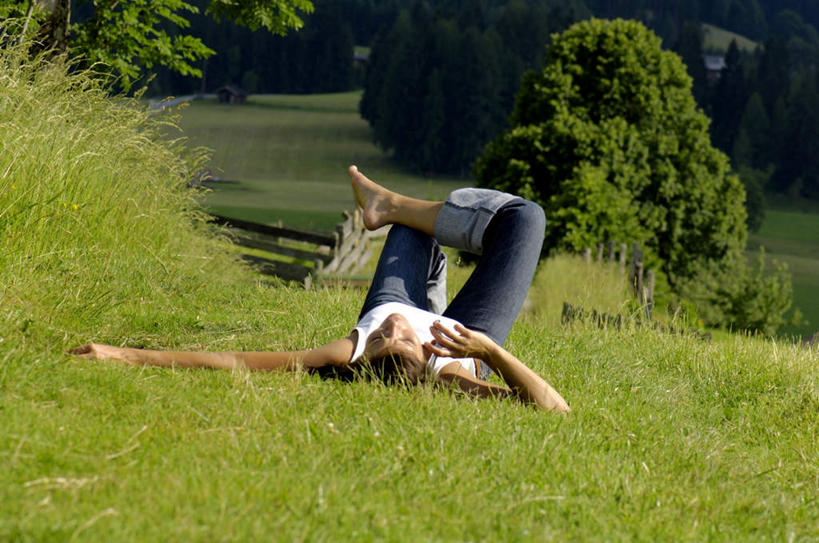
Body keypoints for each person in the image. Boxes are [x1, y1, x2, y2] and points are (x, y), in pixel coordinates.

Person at [72, 166, 570, 413]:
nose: (393, 328)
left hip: (395, 289)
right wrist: (489, 350)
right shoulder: (452, 378)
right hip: (469, 332)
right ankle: (392, 203)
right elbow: (555, 409)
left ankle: (391, 207)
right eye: (400, 337)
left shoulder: (347, 353)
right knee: (526, 219)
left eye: (380, 338)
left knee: (407, 230)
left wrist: (122, 354)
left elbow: (235, 363)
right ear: (423, 356)